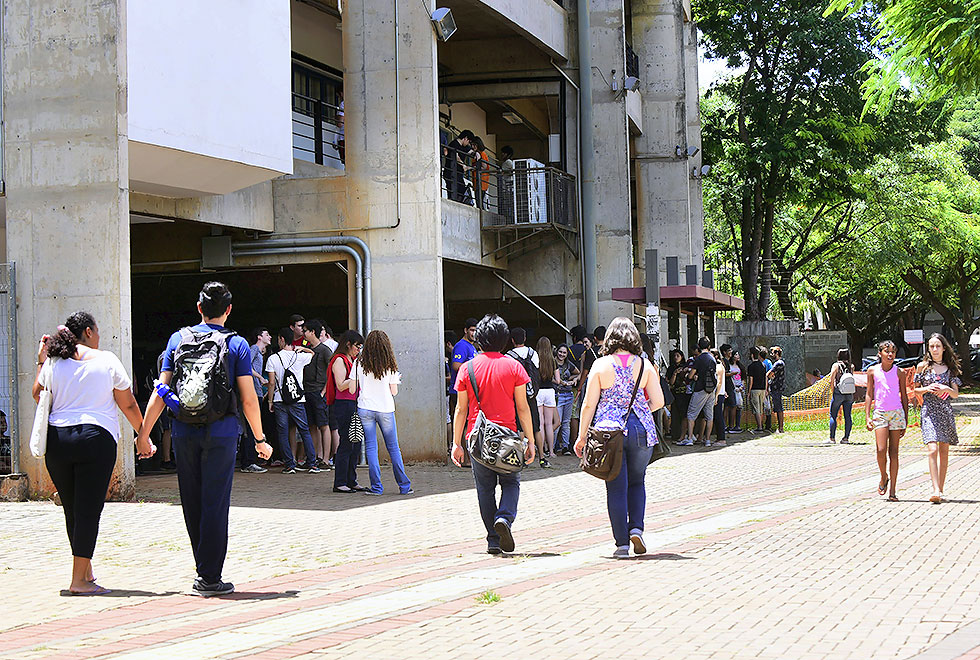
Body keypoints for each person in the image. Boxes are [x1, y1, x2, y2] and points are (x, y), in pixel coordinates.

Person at [139, 282, 272, 597]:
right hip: (223, 432)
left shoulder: (177, 339)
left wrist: (144, 433)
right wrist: (260, 439)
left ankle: (204, 570)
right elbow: (249, 398)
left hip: (184, 430)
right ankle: (210, 577)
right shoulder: (236, 344)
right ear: (228, 310)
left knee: (193, 501)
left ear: (199, 308)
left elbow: (161, 390)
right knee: (215, 502)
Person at [33, 312, 152, 596]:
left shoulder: (54, 361)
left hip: (58, 441)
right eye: (97, 331)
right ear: (88, 331)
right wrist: (143, 436)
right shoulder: (107, 360)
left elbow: (38, 394)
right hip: (95, 439)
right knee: (89, 511)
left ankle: (85, 572)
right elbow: (129, 404)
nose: (99, 336)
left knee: (73, 509)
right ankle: (79, 582)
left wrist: (41, 360)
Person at [574, 317, 665, 559]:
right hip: (641, 430)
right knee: (638, 482)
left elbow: (588, 404)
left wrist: (581, 437)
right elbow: (659, 401)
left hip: (608, 433)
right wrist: (640, 408)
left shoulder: (601, 365)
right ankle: (637, 528)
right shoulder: (645, 365)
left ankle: (621, 545)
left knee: (615, 487)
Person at [451, 314, 535, 554]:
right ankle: (505, 519)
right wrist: (529, 440)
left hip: (477, 439)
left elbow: (460, 409)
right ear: (505, 339)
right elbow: (522, 407)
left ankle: (492, 539)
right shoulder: (514, 366)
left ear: (478, 338)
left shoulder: (467, 368)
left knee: (485, 489)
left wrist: (456, 444)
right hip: (507, 436)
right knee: (511, 482)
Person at [356, 330, 413, 495]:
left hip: (365, 408)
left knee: (371, 448)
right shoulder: (390, 364)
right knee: (393, 448)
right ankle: (404, 486)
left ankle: (376, 488)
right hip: (386, 409)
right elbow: (394, 392)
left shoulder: (359, 363)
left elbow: (354, 387)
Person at [913, 333, 961, 503]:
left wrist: (944, 388)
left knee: (944, 450)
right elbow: (915, 390)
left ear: (944, 348)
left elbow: (955, 394)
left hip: (945, 411)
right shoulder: (922, 367)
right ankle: (934, 489)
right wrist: (927, 389)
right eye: (931, 346)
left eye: (937, 346)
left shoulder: (950, 368)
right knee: (932, 449)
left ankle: (940, 489)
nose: (934, 349)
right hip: (928, 411)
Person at [266, 329, 319, 474]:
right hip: (297, 399)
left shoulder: (273, 358)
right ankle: (312, 463)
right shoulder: (300, 356)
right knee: (304, 430)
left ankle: (289, 464)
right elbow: (312, 354)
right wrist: (303, 348)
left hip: (279, 399)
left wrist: (270, 401)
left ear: (282, 339)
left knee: (282, 432)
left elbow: (271, 382)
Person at [865, 340, 908, 502]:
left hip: (896, 413)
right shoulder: (872, 371)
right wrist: (868, 416)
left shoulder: (899, 372)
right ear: (880, 353)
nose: (890, 355)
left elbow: (904, 396)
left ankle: (893, 491)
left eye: (893, 352)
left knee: (894, 452)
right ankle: (884, 476)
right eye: (887, 351)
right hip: (880, 413)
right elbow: (869, 394)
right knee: (881, 450)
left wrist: (905, 417)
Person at [327, 329, 365, 493]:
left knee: (355, 444)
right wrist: (357, 377)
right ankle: (340, 482)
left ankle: (351, 480)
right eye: (357, 346)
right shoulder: (339, 360)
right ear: (348, 344)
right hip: (344, 404)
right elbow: (341, 385)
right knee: (347, 443)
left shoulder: (353, 360)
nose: (359, 349)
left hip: (354, 403)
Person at [507, 328, 542, 465]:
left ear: (512, 340)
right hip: (532, 394)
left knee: (520, 427)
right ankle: (542, 457)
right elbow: (537, 370)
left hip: (516, 395)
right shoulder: (533, 353)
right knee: (536, 427)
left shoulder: (508, 356)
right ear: (525, 338)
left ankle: (521, 457)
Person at [302, 320, 333, 470]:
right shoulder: (306, 349)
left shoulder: (325, 350)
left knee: (324, 425)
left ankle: (326, 459)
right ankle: (316, 458)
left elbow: (332, 371)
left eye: (306, 331)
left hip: (319, 391)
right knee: (312, 426)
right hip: (307, 391)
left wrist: (324, 391)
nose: (304, 333)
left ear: (312, 332)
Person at [241, 327, 272, 473]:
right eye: (267, 334)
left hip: (257, 391)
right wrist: (260, 377)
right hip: (252, 392)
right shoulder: (253, 349)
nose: (270, 337)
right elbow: (245, 365)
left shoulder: (259, 352)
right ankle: (248, 462)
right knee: (251, 427)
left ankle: (250, 460)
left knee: (253, 427)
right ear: (259, 337)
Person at [450, 319, 479, 465]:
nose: (474, 333)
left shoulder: (472, 347)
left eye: (476, 330)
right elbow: (456, 365)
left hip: (470, 392)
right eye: (472, 330)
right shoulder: (462, 346)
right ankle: (465, 459)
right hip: (459, 392)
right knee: (463, 424)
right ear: (465, 330)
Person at [681, 337, 716, 446]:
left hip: (700, 388)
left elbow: (691, 375)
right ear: (709, 346)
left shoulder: (699, 359)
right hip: (711, 389)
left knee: (691, 414)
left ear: (699, 347)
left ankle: (690, 438)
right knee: (709, 416)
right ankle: (708, 440)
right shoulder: (712, 359)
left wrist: (688, 375)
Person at [535, 336, 558, 466]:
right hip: (550, 391)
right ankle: (552, 451)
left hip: (539, 392)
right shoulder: (552, 361)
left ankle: (541, 451)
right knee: (549, 424)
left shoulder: (536, 359)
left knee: (541, 423)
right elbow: (558, 380)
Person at [554, 344, 580, 455]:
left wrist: (573, 380)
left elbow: (579, 373)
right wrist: (561, 382)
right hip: (558, 394)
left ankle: (565, 447)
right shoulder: (553, 363)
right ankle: (553, 446)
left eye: (564, 353)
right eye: (560, 352)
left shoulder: (568, 364)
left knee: (566, 423)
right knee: (557, 422)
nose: (562, 354)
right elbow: (549, 376)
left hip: (569, 394)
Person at [828, 349, 854, 444]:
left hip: (838, 393)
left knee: (833, 415)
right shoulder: (851, 366)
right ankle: (846, 438)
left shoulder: (836, 366)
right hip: (849, 394)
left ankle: (832, 438)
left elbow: (831, 380)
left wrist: (832, 392)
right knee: (848, 416)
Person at [442, 129, 474, 203]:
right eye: (468, 141)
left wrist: (476, 154)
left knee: (461, 191)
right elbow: (456, 157)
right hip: (451, 172)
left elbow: (471, 152)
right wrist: (464, 165)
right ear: (465, 138)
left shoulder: (464, 146)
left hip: (458, 174)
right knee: (453, 192)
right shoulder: (454, 144)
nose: (468, 143)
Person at [666, 349, 689, 440]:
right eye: (674, 356)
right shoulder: (671, 368)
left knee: (684, 414)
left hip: (684, 393)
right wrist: (675, 374)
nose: (676, 358)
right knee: (675, 414)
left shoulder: (685, 366)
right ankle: (675, 434)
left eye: (678, 356)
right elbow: (671, 382)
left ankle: (683, 434)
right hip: (675, 393)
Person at [746, 347, 768, 433]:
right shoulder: (763, 365)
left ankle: (759, 427)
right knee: (761, 409)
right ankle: (761, 426)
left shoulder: (751, 366)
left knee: (756, 409)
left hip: (754, 389)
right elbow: (765, 378)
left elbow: (751, 380)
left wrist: (748, 391)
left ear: (752, 355)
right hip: (762, 389)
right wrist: (766, 389)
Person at [710, 348, 728, 447]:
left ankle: (721, 438)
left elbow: (719, 382)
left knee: (718, 416)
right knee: (716, 416)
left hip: (718, 394)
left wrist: (716, 395)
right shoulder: (717, 366)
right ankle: (719, 437)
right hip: (718, 393)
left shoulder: (719, 366)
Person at [767, 346, 786, 433]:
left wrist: (770, 376)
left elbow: (769, 374)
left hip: (776, 388)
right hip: (776, 388)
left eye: (772, 353)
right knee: (777, 407)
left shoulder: (778, 363)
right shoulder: (780, 363)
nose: (771, 355)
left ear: (777, 353)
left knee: (778, 408)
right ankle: (780, 427)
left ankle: (781, 428)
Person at [727, 349, 744, 434]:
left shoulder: (740, 366)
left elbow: (743, 377)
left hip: (739, 387)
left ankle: (738, 425)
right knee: (732, 406)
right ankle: (731, 425)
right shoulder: (729, 366)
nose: (738, 356)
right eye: (736, 355)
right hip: (733, 387)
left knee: (739, 406)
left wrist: (742, 386)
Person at [472, 136, 491, 210]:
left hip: (481, 181)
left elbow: (484, 166)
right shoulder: (480, 153)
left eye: (473, 145)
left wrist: (473, 168)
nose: (472, 147)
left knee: (479, 201)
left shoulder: (481, 154)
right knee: (479, 201)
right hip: (479, 181)